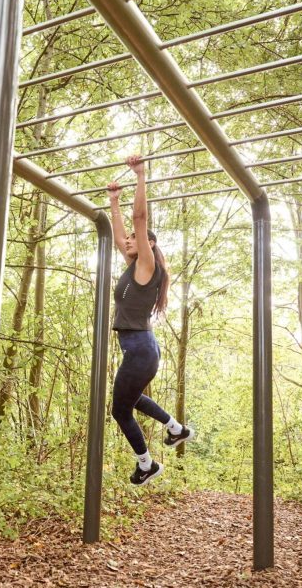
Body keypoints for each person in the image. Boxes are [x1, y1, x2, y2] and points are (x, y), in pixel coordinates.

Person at [106, 154, 195, 486]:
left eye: (135, 238)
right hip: (141, 347)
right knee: (132, 399)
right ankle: (176, 429)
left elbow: (140, 218)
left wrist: (140, 176)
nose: (128, 240)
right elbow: (119, 236)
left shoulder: (147, 266)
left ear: (148, 244)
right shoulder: (133, 266)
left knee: (120, 410)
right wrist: (114, 200)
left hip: (141, 349)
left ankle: (147, 465)